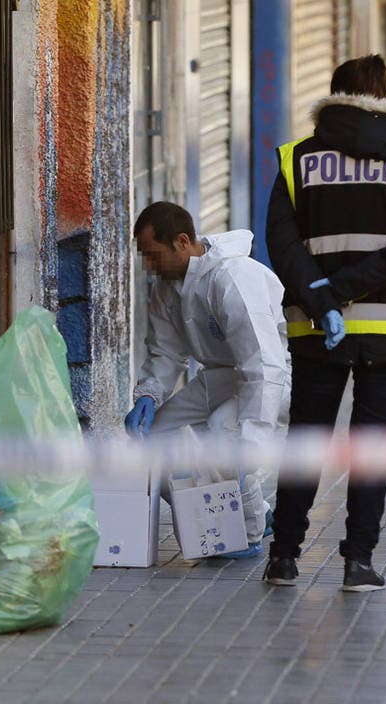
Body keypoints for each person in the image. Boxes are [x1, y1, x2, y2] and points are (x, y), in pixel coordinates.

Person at [262, 55, 386, 591]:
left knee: (307, 439)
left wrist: (324, 295)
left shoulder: (298, 160)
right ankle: (358, 562)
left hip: (318, 328)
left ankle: (284, 557)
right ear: (385, 98)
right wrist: (348, 290)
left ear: (333, 97)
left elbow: (282, 241)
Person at [124, 201, 291, 558]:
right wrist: (148, 396)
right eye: (145, 257)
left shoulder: (233, 278)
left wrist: (253, 439)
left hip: (273, 378)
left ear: (182, 242)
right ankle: (258, 513)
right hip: (219, 376)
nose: (149, 267)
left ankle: (246, 535)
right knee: (155, 440)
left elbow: (263, 364)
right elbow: (166, 353)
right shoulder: (167, 288)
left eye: (154, 255)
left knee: (223, 436)